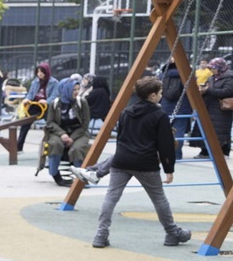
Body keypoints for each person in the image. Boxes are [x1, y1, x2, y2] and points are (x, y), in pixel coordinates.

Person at [72, 78, 191, 249]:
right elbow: (165, 145)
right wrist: (168, 169)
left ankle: (101, 234)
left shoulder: (126, 112)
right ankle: (172, 233)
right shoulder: (159, 115)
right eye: (160, 93)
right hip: (146, 163)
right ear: (152, 95)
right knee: (159, 198)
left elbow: (121, 138)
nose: (161, 95)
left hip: (122, 160)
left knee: (111, 197)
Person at [39, 83, 91, 187]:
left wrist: (72, 138)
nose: (76, 92)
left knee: (77, 148)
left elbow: (85, 124)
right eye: (73, 90)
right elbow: (50, 122)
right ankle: (55, 175)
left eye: (78, 89)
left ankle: (81, 177)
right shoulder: (55, 103)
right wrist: (62, 134)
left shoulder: (82, 102)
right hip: (59, 132)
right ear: (65, 90)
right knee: (54, 144)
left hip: (78, 132)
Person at [17, 62, 58, 151]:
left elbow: (55, 95)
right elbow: (31, 94)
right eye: (38, 71)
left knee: (51, 125)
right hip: (35, 105)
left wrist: (46, 101)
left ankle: (52, 147)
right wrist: (27, 99)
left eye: (42, 71)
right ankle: (18, 147)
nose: (39, 73)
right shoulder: (35, 82)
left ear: (46, 72)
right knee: (25, 124)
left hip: (47, 107)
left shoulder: (54, 82)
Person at [203, 57, 233, 156]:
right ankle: (207, 150)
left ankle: (222, 151)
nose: (212, 70)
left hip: (222, 109)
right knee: (209, 129)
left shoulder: (229, 78)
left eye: (214, 68)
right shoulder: (212, 77)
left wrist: (208, 90)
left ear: (220, 68)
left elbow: (227, 91)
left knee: (221, 131)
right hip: (210, 107)